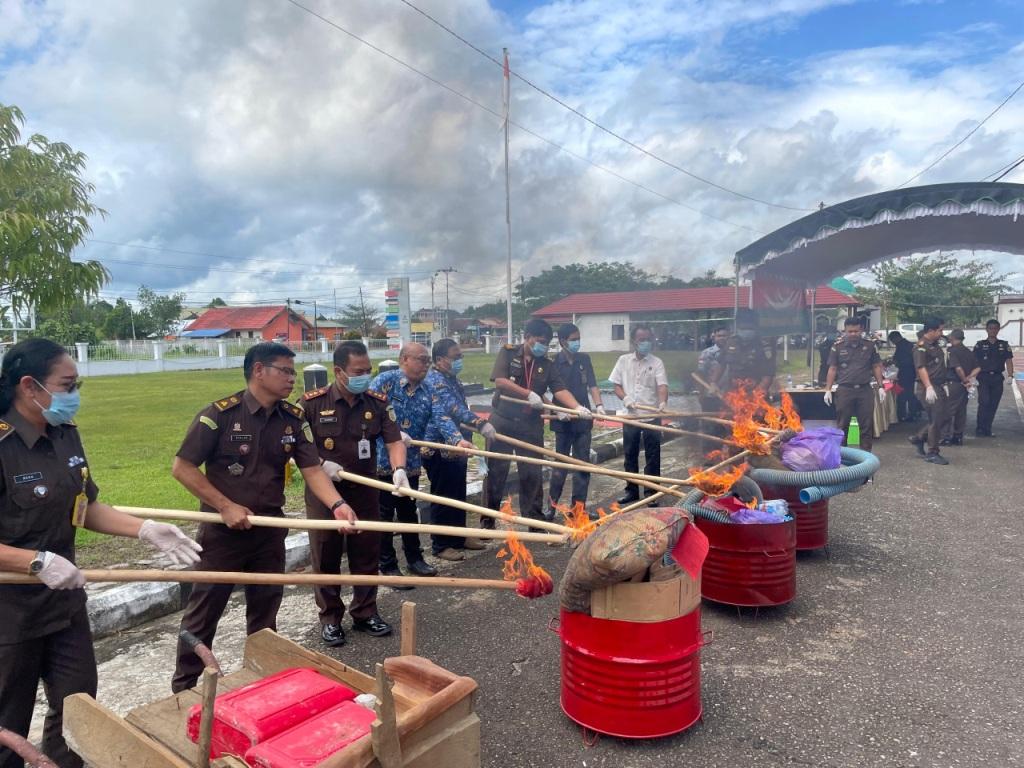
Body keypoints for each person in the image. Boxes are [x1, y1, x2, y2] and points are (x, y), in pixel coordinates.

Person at [0, 339, 201, 768]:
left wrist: (145, 530)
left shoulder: (65, 436)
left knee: (77, 705)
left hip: (64, 601)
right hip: (9, 613)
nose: (74, 395)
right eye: (68, 385)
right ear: (29, 386)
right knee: (8, 724)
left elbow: (83, 508)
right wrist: (34, 561)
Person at [171, 342, 350, 691]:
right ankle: (184, 688)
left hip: (269, 529)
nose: (291, 378)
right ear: (258, 371)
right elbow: (182, 468)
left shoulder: (292, 418)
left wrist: (337, 504)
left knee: (266, 610)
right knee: (204, 612)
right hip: (222, 533)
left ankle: (261, 677)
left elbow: (312, 469)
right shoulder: (219, 415)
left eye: (292, 371)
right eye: (284, 370)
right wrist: (224, 506)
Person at [301, 341, 405, 645]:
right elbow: (296, 447)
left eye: (368, 370)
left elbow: (394, 440)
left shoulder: (376, 402)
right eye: (358, 372)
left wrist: (398, 469)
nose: (365, 377)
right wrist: (321, 463)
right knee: (326, 555)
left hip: (364, 489)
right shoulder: (311, 404)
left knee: (367, 553)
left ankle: (365, 611)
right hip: (324, 493)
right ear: (339, 372)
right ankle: (331, 617)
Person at [487, 318, 591, 522]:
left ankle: (534, 519)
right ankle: (487, 520)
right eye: (540, 341)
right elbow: (500, 381)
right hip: (503, 421)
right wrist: (527, 393)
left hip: (530, 425)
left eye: (546, 342)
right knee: (496, 472)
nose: (543, 346)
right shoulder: (508, 353)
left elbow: (559, 389)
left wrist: (577, 407)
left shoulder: (546, 364)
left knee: (532, 472)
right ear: (527, 338)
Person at [369, 343, 437, 585]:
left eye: (428, 361)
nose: (426, 365)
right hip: (381, 461)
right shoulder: (384, 382)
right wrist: (394, 434)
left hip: (410, 463)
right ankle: (387, 565)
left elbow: (439, 418)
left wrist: (456, 439)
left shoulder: (428, 389)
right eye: (421, 359)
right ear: (405, 359)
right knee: (384, 515)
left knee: (409, 512)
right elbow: (368, 415)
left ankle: (415, 559)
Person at [422, 339, 494, 561]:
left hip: (459, 445)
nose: (459, 360)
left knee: (457, 492)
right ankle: (441, 544)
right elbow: (454, 408)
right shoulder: (435, 381)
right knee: (443, 495)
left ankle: (459, 536)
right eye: (456, 357)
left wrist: (473, 426)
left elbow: (460, 409)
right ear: (440, 359)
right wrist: (480, 422)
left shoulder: (451, 378)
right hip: (439, 445)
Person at [548, 323, 606, 516]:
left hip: (583, 419)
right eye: (573, 339)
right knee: (560, 467)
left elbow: (593, 384)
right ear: (563, 341)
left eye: (578, 339)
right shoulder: (554, 362)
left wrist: (599, 405)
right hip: (562, 421)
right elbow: (545, 391)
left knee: (582, 465)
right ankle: (552, 508)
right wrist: (556, 410)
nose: (577, 342)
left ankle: (578, 509)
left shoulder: (584, 359)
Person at [609, 324, 669, 505]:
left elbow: (662, 386)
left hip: (651, 416)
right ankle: (632, 491)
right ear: (634, 341)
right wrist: (625, 398)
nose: (646, 343)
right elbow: (616, 385)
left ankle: (652, 492)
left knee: (652, 455)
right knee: (630, 454)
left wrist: (662, 402)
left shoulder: (656, 362)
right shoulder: (623, 360)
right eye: (642, 340)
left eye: (648, 340)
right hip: (631, 415)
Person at [823, 317, 885, 451]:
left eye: (856, 331)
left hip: (865, 390)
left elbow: (876, 366)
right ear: (844, 330)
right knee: (842, 425)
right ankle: (842, 457)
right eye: (850, 331)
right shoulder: (837, 346)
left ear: (861, 330)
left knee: (866, 425)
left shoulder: (870, 346)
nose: (853, 334)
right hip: (845, 390)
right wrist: (828, 389)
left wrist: (881, 386)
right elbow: (832, 368)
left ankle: (865, 457)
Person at [909, 318, 951, 465]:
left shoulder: (935, 345)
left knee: (944, 416)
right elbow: (921, 368)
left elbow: (939, 366)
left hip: (938, 385)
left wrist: (943, 383)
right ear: (930, 331)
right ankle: (932, 452)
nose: (942, 333)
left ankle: (919, 438)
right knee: (936, 419)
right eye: (939, 330)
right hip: (928, 386)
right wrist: (928, 386)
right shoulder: (921, 346)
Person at [710, 309, 776, 394]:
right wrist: (713, 382)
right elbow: (721, 364)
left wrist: (757, 394)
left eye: (749, 328)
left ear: (756, 327)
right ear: (738, 326)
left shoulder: (765, 346)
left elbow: (768, 375)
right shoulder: (731, 342)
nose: (746, 331)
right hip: (733, 393)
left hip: (755, 392)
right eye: (743, 328)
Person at [973, 319, 1014, 437]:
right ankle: (980, 428)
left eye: (995, 328)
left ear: (998, 329)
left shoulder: (1004, 345)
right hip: (983, 378)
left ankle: (987, 429)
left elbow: (1009, 361)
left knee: (993, 404)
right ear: (986, 329)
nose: (993, 330)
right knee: (984, 402)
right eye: (990, 328)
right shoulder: (980, 345)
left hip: (997, 378)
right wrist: (973, 377)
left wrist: (1010, 376)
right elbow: (974, 361)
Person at [940, 330, 979, 446]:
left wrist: (964, 379)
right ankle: (958, 436)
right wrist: (969, 378)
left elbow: (958, 368)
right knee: (961, 411)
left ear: (952, 338)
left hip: (955, 383)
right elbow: (978, 368)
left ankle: (946, 437)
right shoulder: (968, 352)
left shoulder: (952, 351)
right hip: (964, 386)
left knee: (947, 411)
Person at [887, 330, 921, 422]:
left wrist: (893, 362)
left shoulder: (902, 346)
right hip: (910, 372)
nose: (893, 343)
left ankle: (905, 414)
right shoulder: (907, 344)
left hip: (906, 372)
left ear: (896, 338)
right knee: (909, 393)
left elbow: (900, 360)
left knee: (904, 393)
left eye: (892, 340)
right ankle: (914, 411)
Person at [697, 326, 729, 413]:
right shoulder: (707, 354)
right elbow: (701, 375)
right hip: (711, 396)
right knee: (711, 424)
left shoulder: (734, 353)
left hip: (730, 397)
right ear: (714, 338)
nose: (722, 338)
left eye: (724, 335)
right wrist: (701, 394)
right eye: (719, 336)